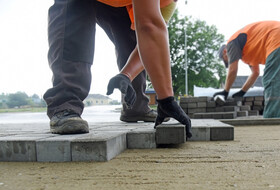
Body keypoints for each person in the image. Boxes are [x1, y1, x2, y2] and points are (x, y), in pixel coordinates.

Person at [44, 0, 191, 138]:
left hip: (121, 5)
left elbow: (150, 33)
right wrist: (166, 99)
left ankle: (136, 107)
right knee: (74, 18)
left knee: (136, 35)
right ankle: (65, 105)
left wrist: (126, 75)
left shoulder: (169, 3)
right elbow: (150, 26)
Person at [214, 21, 280, 118]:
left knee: (272, 79)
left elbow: (232, 70)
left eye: (227, 59)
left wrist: (225, 91)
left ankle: (273, 121)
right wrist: (242, 91)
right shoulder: (247, 54)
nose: (230, 61)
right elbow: (255, 73)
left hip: (278, 35)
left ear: (225, 52)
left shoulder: (231, 43)